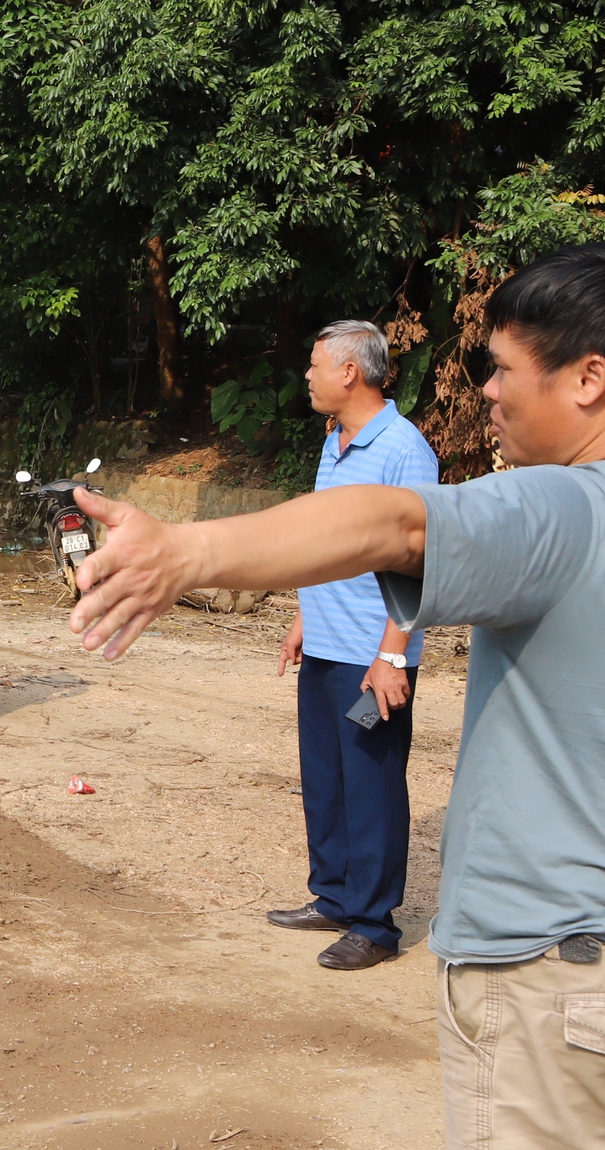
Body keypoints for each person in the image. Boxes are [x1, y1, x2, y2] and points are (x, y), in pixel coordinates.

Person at [65, 244, 605, 1149]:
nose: (485, 390)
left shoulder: (564, 507)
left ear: (590, 378)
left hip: (564, 986)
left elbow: (393, 523)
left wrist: (188, 553)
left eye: (505, 368)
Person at [271, 321, 441, 971]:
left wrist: (394, 653)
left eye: (315, 365)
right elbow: (326, 540)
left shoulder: (404, 449)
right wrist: (304, 615)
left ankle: (375, 923)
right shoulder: (334, 442)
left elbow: (424, 561)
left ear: (349, 372)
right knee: (326, 782)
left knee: (371, 787)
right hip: (327, 644)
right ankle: (335, 897)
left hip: (374, 653)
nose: (307, 376)